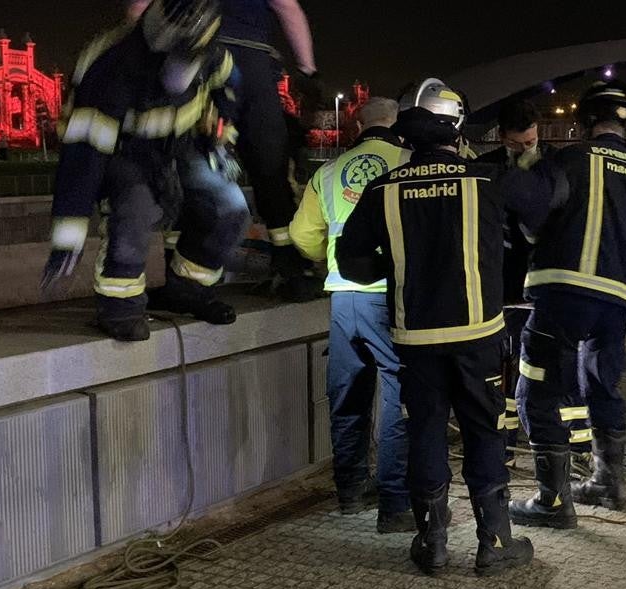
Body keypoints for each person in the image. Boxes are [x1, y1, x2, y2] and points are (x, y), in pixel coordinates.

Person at [335, 79, 534, 577]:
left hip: (415, 338)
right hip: (479, 335)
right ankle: (494, 544)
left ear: (409, 138)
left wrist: (399, 266)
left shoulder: (383, 190)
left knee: (425, 431)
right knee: (484, 432)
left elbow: (352, 261)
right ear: (457, 133)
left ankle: (433, 543)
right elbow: (541, 213)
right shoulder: (488, 181)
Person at [42, 0, 249, 341]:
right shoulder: (109, 68)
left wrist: (220, 126)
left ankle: (187, 291)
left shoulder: (211, 54)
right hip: (127, 151)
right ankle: (119, 306)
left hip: (181, 144)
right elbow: (83, 157)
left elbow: (231, 84)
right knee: (135, 209)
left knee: (230, 209)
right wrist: (68, 236)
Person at [506, 81, 626, 527]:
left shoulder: (571, 158)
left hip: (564, 290)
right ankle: (609, 484)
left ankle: (552, 503)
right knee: (601, 387)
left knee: (537, 388)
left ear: (586, 123)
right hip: (619, 302)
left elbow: (534, 212)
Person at [129, 0, 323, 302]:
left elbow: (139, 9)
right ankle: (291, 269)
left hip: (197, 54)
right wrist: (308, 70)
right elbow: (288, 8)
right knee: (271, 169)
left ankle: (183, 275)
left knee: (192, 169)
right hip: (255, 63)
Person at [287, 97, 413, 530]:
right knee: (400, 398)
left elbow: (302, 234)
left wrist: (332, 260)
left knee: (347, 398)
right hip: (391, 297)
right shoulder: (409, 162)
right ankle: (396, 503)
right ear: (396, 123)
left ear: (358, 124)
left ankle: (350, 493)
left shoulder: (327, 172)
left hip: (343, 296)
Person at [476, 101, 590, 465]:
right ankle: (504, 446)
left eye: (531, 142)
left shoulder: (555, 164)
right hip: (504, 287)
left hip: (547, 285)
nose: (526, 150)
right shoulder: (489, 168)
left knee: (561, 368)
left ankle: (579, 446)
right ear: (501, 138)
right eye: (516, 145)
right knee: (504, 372)